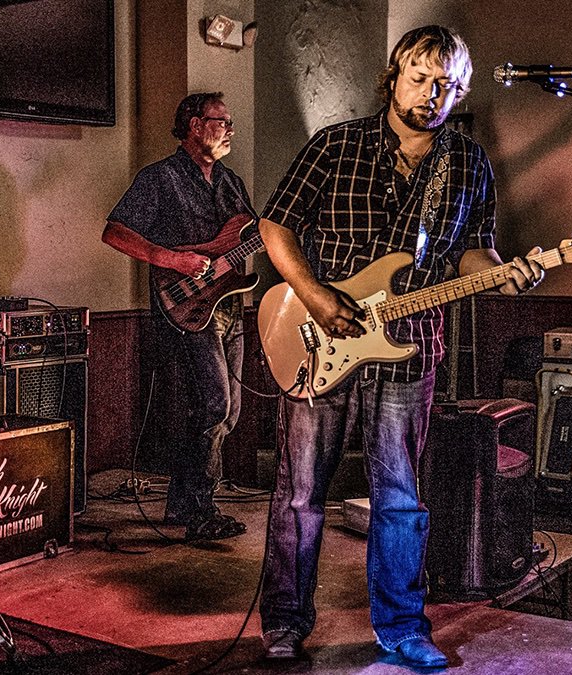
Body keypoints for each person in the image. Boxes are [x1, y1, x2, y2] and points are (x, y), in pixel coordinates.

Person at [255, 26, 544, 667]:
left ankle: (402, 627)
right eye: (420, 78)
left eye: (446, 85)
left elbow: (477, 252)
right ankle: (283, 622)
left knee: (402, 495)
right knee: (302, 490)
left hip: (411, 344)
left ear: (459, 90)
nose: (430, 94)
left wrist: (505, 273)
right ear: (395, 74)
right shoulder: (336, 144)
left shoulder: (466, 162)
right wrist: (317, 294)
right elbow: (274, 224)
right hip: (320, 334)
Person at [103, 92, 253, 541]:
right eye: (220, 120)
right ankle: (199, 511)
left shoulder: (231, 182)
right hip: (186, 305)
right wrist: (171, 259)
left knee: (230, 412)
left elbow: (245, 238)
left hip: (228, 305)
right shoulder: (161, 178)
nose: (229, 129)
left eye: (229, 122)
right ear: (193, 124)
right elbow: (115, 231)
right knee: (213, 402)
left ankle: (183, 505)